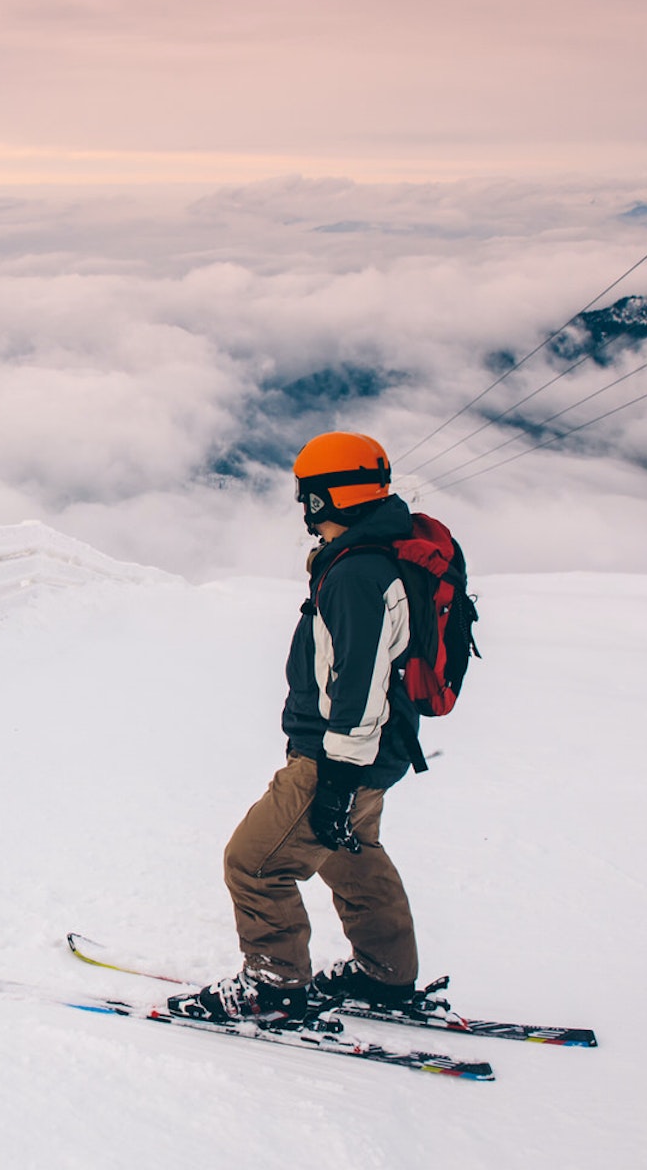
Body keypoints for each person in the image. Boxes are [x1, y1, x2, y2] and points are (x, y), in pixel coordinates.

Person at [169, 430, 425, 1027]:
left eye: (306, 494)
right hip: (374, 750)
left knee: (254, 863)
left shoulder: (357, 574)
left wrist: (335, 777)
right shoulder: (375, 555)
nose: (302, 508)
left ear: (325, 498)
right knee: (349, 854)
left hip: (338, 756)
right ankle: (385, 976)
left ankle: (274, 987)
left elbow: (359, 683)